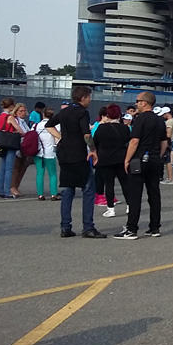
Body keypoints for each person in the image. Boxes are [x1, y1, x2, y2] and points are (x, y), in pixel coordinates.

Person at [46, 85, 106, 239]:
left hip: (64, 154)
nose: (90, 100)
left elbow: (49, 125)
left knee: (67, 190)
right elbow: (86, 134)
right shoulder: (82, 113)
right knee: (88, 189)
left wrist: (61, 138)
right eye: (89, 97)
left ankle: (65, 226)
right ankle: (88, 227)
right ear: (83, 98)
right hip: (78, 154)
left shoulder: (64, 111)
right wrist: (93, 150)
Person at [116, 91, 166, 239]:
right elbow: (164, 142)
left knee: (135, 195)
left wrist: (126, 159)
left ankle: (131, 229)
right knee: (154, 194)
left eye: (138, 101)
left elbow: (134, 141)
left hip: (139, 160)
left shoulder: (140, 119)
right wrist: (158, 155)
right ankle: (154, 227)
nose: (136, 103)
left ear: (144, 103)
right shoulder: (159, 120)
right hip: (155, 159)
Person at [92, 104, 130, 218]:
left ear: (107, 114)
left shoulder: (101, 128)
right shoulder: (125, 128)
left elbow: (95, 142)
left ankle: (111, 208)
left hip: (106, 159)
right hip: (121, 158)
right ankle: (130, 206)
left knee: (109, 184)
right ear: (119, 115)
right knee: (125, 183)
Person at [0, 97, 21, 198]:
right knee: (9, 168)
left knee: (3, 167)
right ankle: (7, 191)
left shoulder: (1, 116)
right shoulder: (10, 117)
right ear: (11, 106)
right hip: (10, 142)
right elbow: (19, 129)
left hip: (2, 141)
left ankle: (1, 190)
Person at [33, 115, 59, 200]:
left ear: (43, 115)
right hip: (50, 152)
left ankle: (40, 195)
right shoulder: (55, 126)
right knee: (52, 174)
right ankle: (53, 194)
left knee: (40, 173)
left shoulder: (35, 125)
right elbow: (58, 138)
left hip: (38, 152)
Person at [158, 107, 173, 185]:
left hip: (167, 142)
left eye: (163, 114)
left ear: (167, 113)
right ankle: (169, 178)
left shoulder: (169, 122)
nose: (162, 116)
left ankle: (170, 178)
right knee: (167, 161)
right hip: (170, 141)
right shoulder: (172, 121)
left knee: (167, 161)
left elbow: (168, 134)